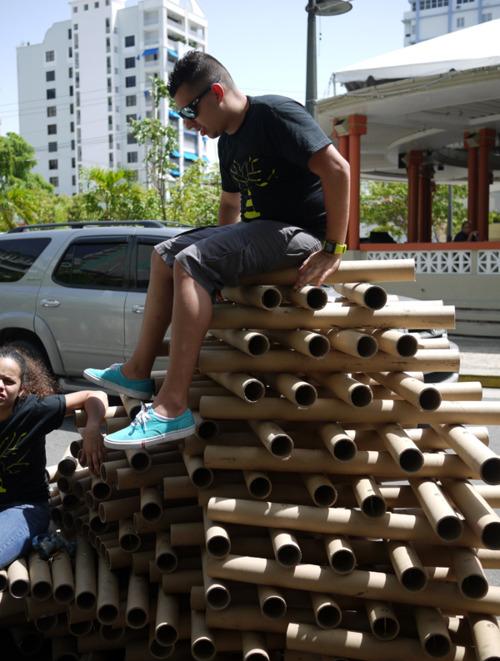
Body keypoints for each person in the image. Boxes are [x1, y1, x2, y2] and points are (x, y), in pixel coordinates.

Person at [84, 50, 350, 450]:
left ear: (218, 92)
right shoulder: (227, 142)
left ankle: (172, 407)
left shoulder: (276, 115)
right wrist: (223, 263)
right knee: (165, 254)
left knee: (191, 263)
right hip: (261, 231)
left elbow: (338, 169)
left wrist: (333, 248)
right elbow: (230, 205)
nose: (190, 123)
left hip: (300, 234)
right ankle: (138, 370)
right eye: (181, 115)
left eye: (191, 110)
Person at [0, 345, 108, 569]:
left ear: (21, 390)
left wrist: (92, 428)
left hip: (23, 507)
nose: (0, 386)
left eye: (8, 381)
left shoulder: (33, 411)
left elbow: (94, 395)